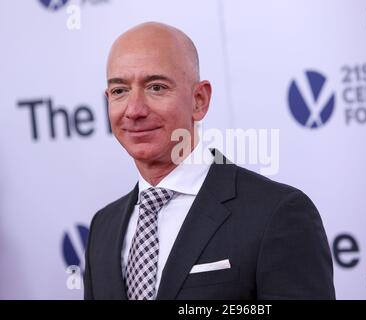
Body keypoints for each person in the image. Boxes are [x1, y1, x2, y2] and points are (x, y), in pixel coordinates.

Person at [84, 22, 335, 300]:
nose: (134, 110)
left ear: (199, 100)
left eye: (156, 87)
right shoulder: (102, 228)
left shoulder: (276, 213)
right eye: (120, 91)